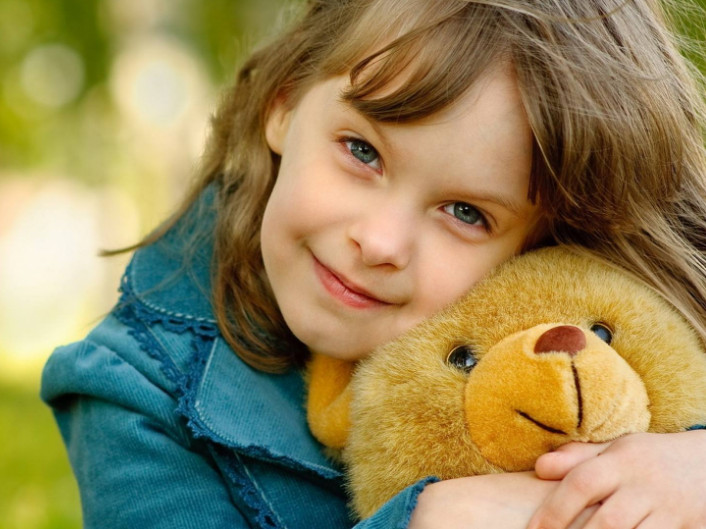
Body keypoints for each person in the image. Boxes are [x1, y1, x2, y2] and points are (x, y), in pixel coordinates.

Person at [41, 0, 706, 527]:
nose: (382, 241)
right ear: (285, 102)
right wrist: (428, 520)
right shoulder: (136, 392)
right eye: (362, 151)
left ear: (538, 241)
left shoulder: (602, 333)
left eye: (466, 212)